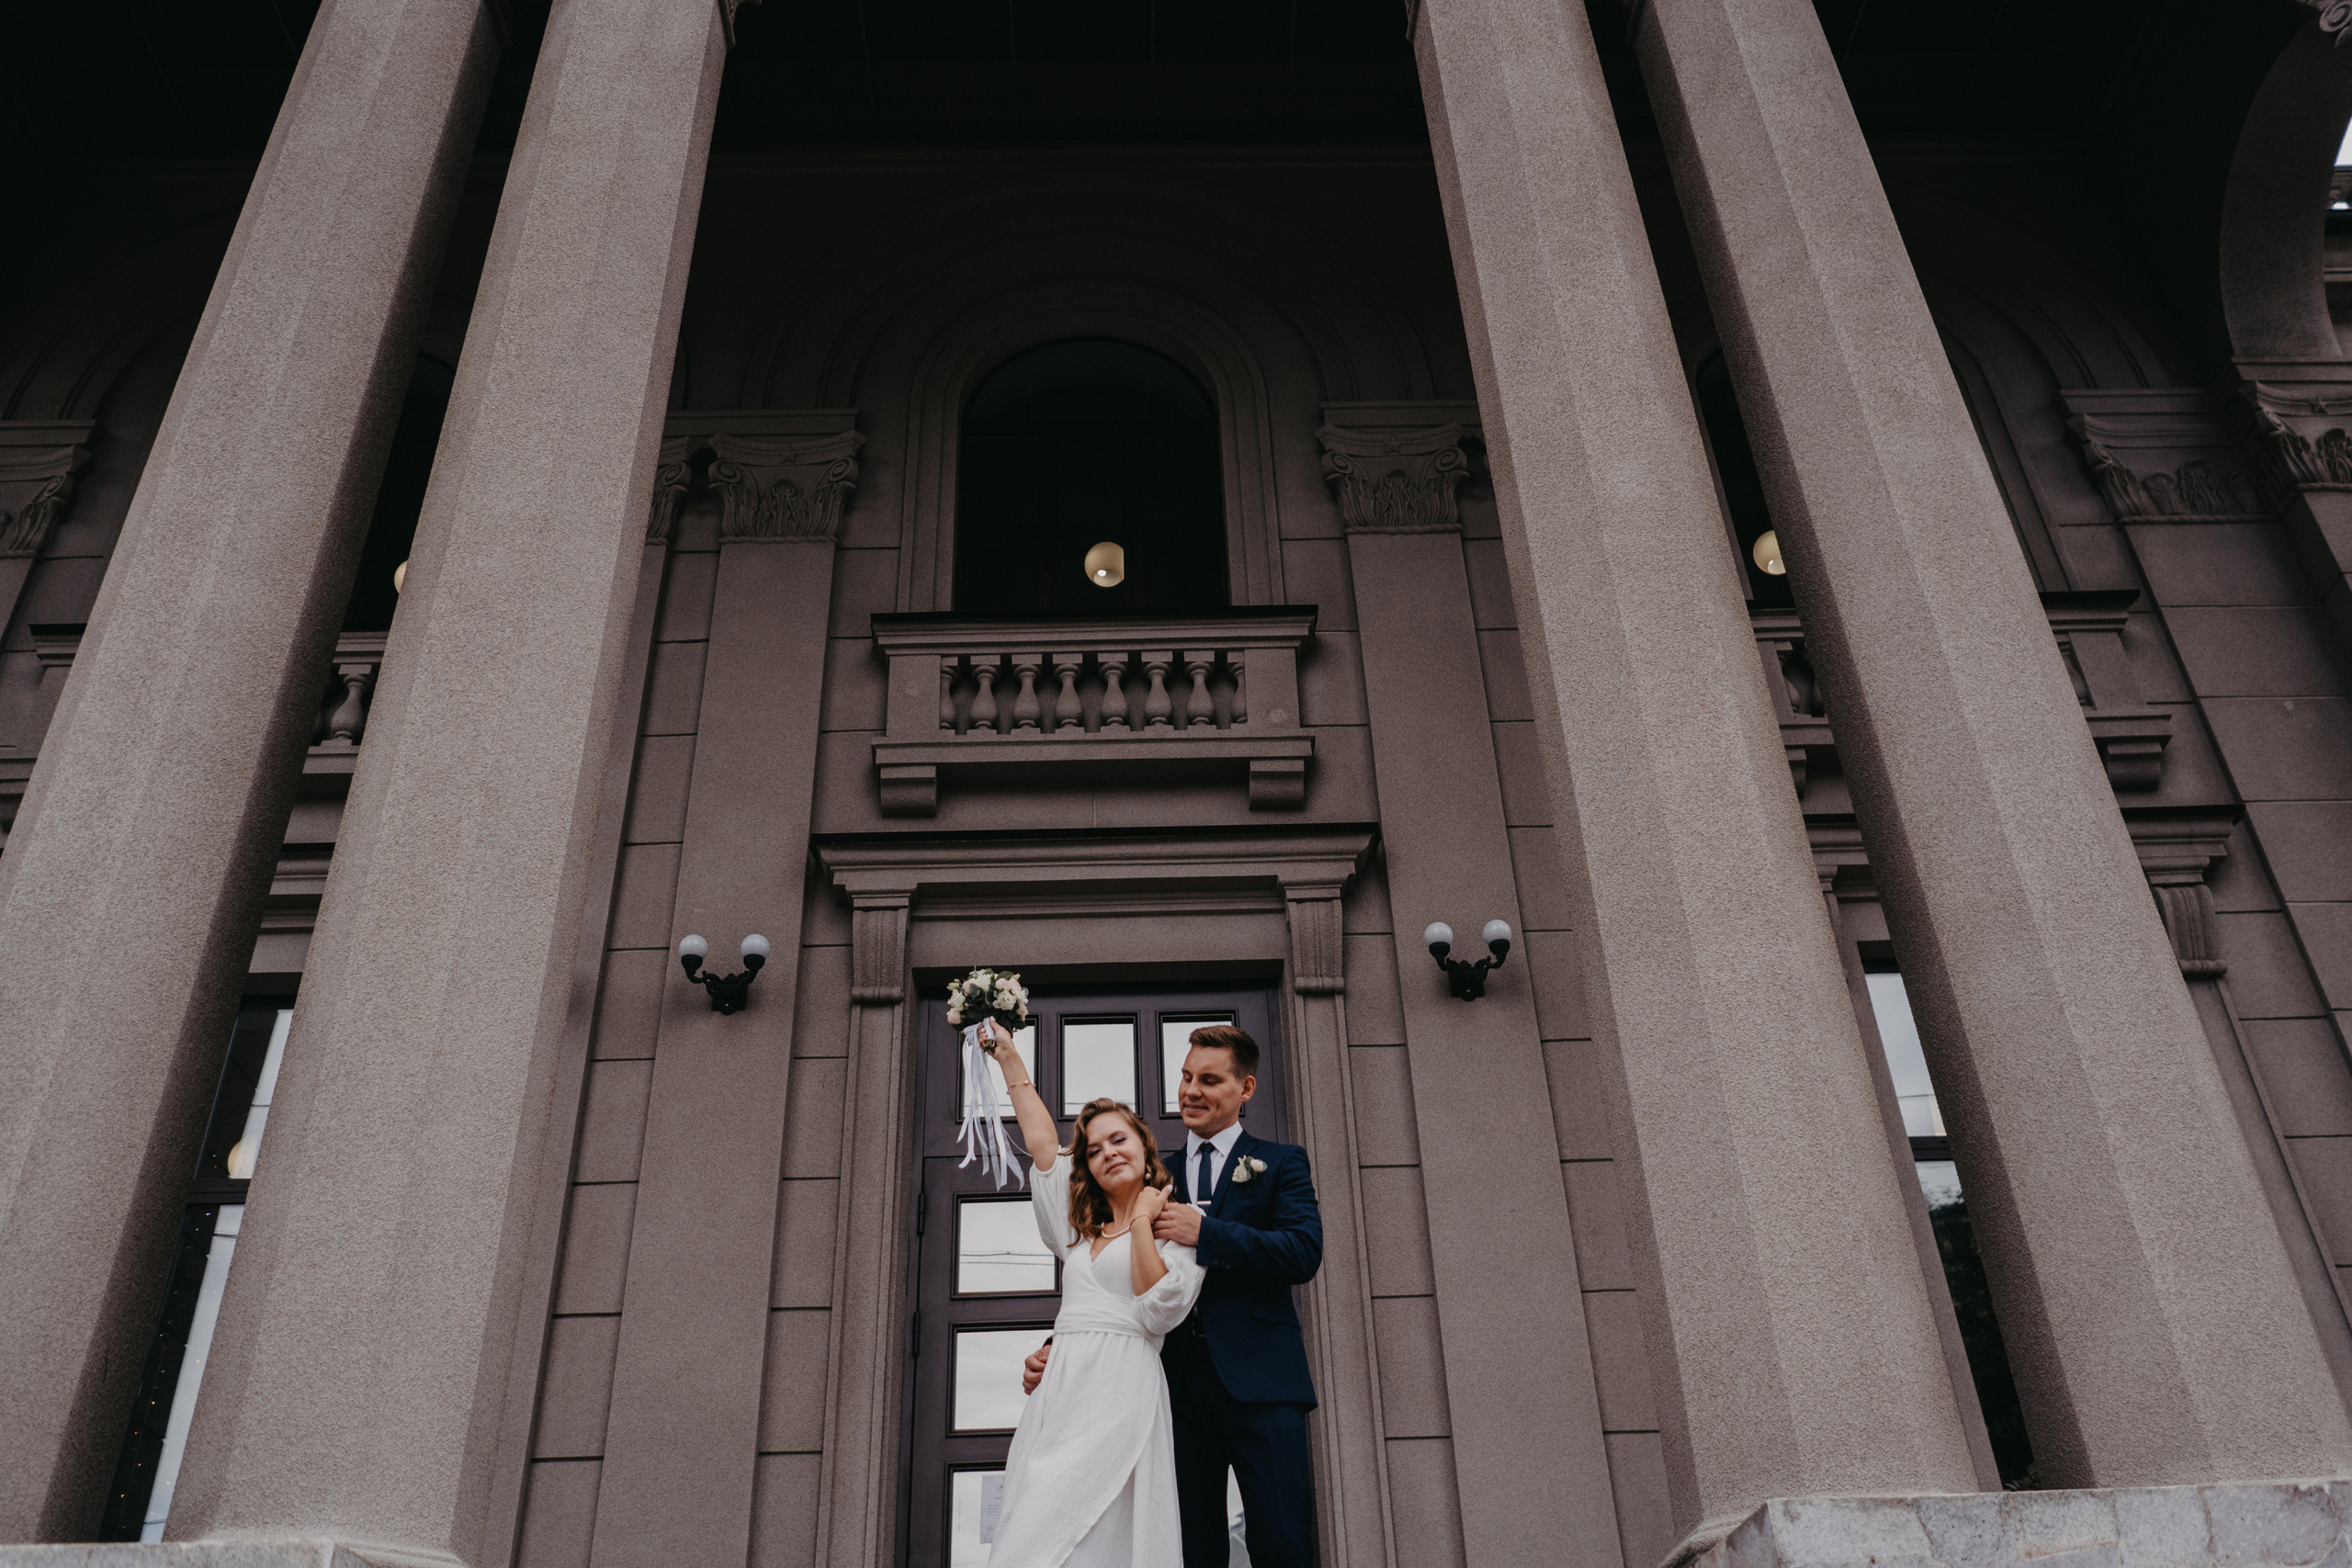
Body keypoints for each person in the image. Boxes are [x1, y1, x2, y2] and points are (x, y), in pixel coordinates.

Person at [1026, 1024, 1324, 1568]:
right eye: (1186, 1077)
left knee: (1283, 1542)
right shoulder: (1148, 1174)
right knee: (1188, 1548)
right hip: (1171, 1392)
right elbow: (1109, 1269)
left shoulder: (1281, 1162)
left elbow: (1303, 1252)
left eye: (1208, 1080)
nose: (1190, 1091)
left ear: (1246, 1088)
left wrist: (1206, 1232)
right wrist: (1057, 1346)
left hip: (1264, 1383)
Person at [978, 1018, 1204, 1568]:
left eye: (1118, 1139)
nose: (1107, 1153)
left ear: (1145, 1146)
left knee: (1104, 1530)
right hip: (1061, 1393)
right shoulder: (1078, 1230)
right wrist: (1008, 1057)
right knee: (1033, 1526)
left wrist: (1147, 1220)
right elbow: (1041, 1145)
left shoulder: (1183, 1221)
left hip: (1123, 1387)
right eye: (1095, 1149)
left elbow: (1159, 1311)